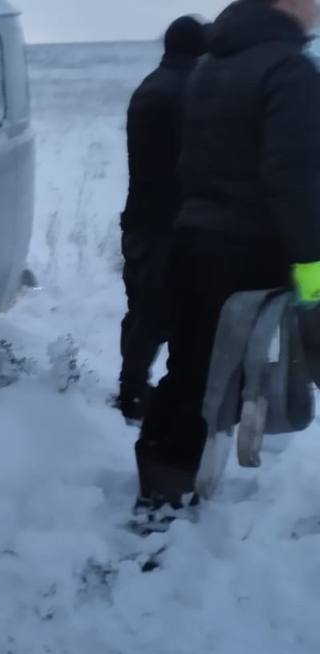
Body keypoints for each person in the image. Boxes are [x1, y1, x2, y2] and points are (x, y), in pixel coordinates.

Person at [136, 0, 320, 512]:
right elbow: (295, 180)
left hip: (192, 240)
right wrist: (314, 272)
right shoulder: (289, 70)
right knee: (209, 379)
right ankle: (165, 500)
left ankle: (159, 485)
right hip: (248, 254)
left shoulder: (210, 63)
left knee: (189, 370)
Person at [117, 16, 208, 423]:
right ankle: (137, 395)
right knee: (161, 312)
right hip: (168, 223)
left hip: (141, 219)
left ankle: (132, 389)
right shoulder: (189, 91)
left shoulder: (152, 85)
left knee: (142, 309)